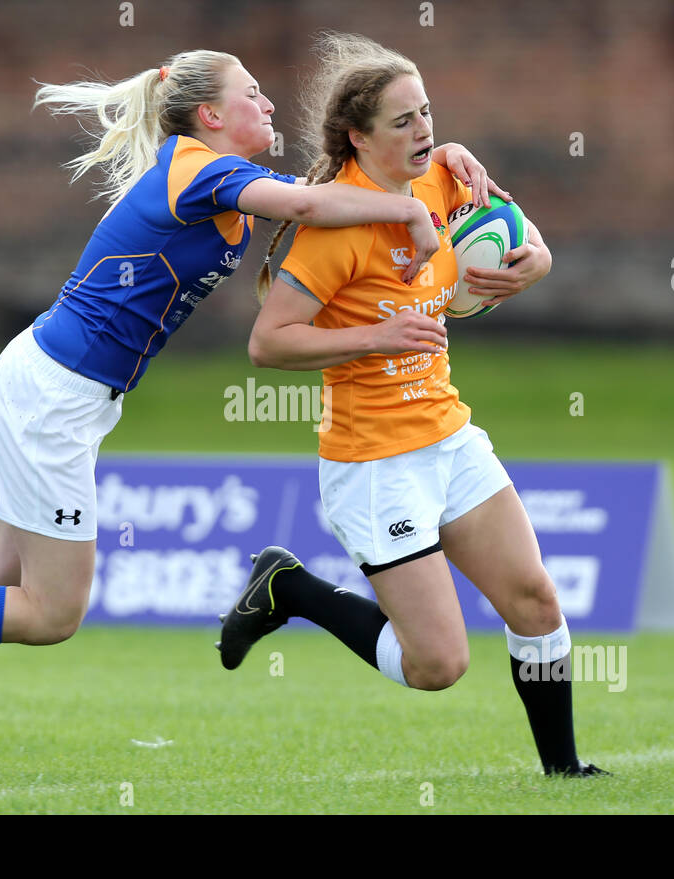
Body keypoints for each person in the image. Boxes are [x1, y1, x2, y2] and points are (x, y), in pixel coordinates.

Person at [0, 48, 509, 772]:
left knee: (1, 577)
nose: (269, 103)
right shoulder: (199, 166)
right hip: (54, 397)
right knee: (52, 614)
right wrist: (410, 213)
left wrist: (440, 153)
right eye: (251, 93)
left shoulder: (226, 176)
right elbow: (316, 203)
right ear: (211, 114)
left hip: (56, 387)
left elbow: (331, 185)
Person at [218, 33, 607, 777]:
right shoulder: (331, 233)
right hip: (373, 462)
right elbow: (269, 344)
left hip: (449, 437)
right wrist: (379, 334)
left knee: (535, 600)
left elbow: (534, 247)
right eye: (403, 121)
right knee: (437, 665)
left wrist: (530, 268)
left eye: (426, 112)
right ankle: (289, 588)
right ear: (359, 138)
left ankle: (565, 773)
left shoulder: (443, 181)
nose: (423, 130)